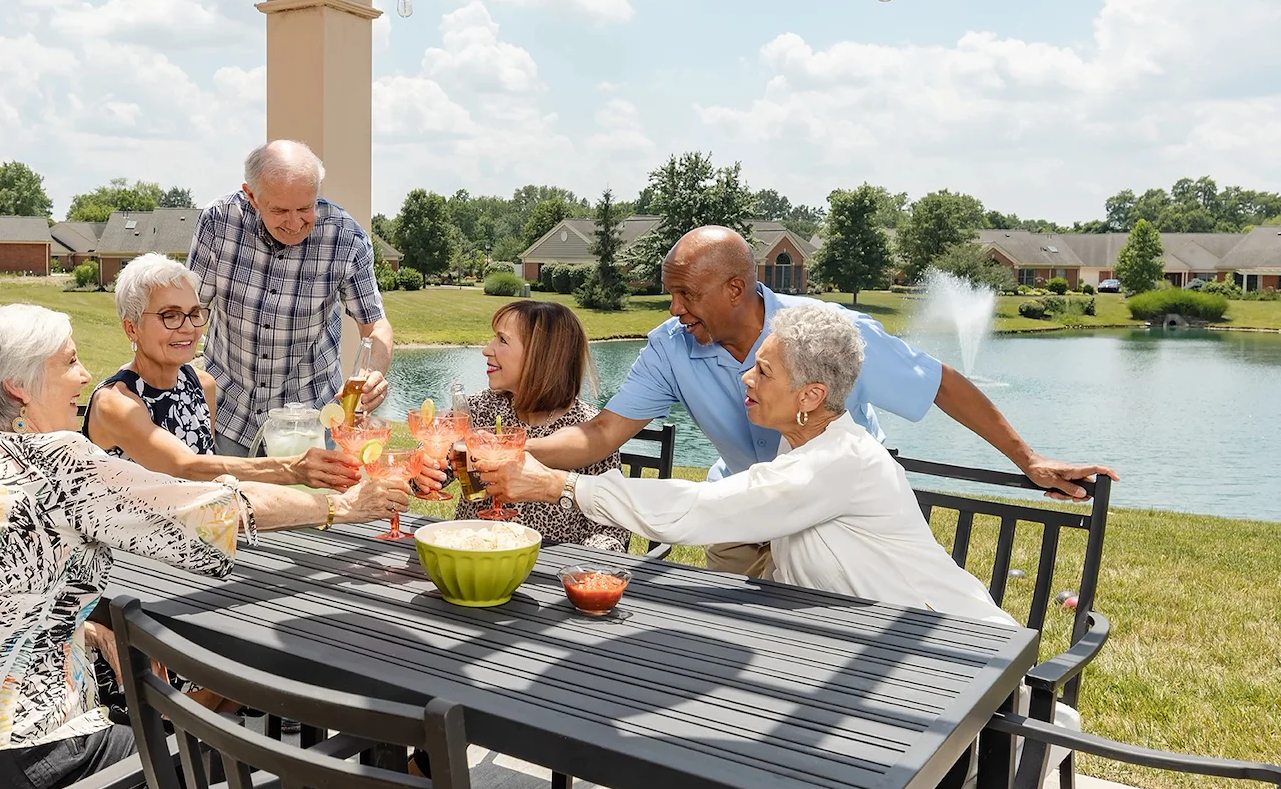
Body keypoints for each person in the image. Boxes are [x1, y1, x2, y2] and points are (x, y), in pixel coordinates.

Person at [0, 303, 407, 789]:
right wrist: (339, 507)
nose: (84, 376)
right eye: (69, 362)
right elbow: (208, 508)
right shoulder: (50, 461)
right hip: (3, 768)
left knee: (186, 729)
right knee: (242, 773)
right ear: (18, 385)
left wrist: (80, 625)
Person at [527, 226, 1119, 577]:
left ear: (736, 288)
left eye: (686, 294)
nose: (675, 309)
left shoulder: (822, 333)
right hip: (738, 504)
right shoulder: (670, 346)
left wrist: (1028, 458)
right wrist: (516, 450)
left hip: (829, 513)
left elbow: (939, 382)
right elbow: (602, 433)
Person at [476, 301, 1017, 626]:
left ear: (811, 394)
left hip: (952, 648)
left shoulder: (841, 462)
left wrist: (561, 485)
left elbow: (702, 506)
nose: (744, 379)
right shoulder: (799, 446)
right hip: (872, 637)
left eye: (763, 371)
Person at [84, 252, 360, 491]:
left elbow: (208, 473)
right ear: (131, 327)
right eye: (170, 315)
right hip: (129, 544)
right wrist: (291, 469)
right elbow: (185, 466)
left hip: (200, 532)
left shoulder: (202, 385)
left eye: (194, 313)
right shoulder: (116, 403)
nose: (188, 327)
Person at [188, 139, 392, 458]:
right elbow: (194, 308)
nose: (295, 223)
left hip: (308, 423)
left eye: (305, 208)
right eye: (280, 210)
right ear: (252, 195)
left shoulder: (346, 237)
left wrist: (373, 372)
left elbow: (376, 325)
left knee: (308, 508)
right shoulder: (219, 221)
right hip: (227, 413)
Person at [456, 300, 622, 550]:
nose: (486, 349)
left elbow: (611, 532)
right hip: (469, 561)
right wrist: (426, 468)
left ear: (541, 356)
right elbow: (422, 477)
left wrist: (581, 568)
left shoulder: (592, 434)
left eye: (502, 340)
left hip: (551, 577)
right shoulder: (479, 408)